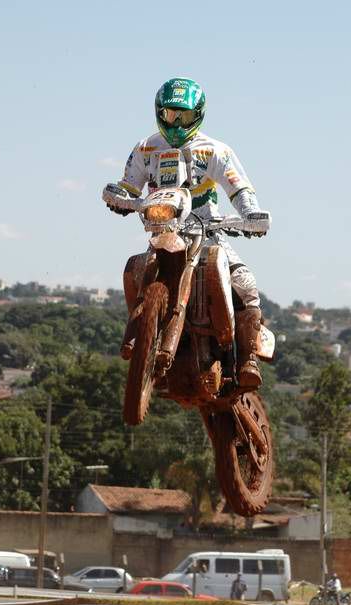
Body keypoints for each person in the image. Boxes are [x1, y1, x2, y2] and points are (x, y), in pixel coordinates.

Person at [102, 77, 270, 388]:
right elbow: (127, 184)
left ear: (198, 115)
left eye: (184, 116)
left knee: (246, 285)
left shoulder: (215, 150)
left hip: (208, 232)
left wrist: (249, 213)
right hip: (163, 231)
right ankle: (143, 337)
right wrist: (117, 194)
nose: (176, 124)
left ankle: (248, 359)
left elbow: (239, 187)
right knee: (134, 269)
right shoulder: (146, 147)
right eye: (170, 115)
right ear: (159, 112)